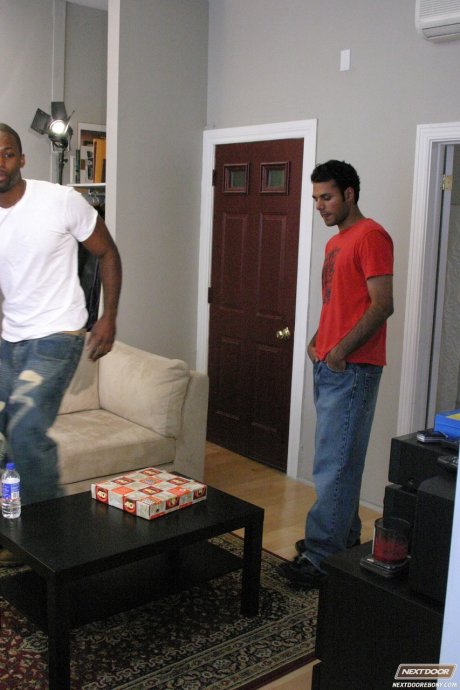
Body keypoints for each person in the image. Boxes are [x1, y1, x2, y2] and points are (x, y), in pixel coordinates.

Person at [0, 123, 122, 564]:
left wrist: (108, 316)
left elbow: (107, 251)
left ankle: (46, 536)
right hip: (11, 338)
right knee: (6, 427)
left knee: (26, 428)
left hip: (58, 336)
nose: (0, 163)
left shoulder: (59, 200)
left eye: (7, 153)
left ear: (22, 159)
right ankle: (13, 523)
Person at [279, 160, 394, 588]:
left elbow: (382, 305)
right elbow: (339, 303)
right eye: (315, 199)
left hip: (353, 368)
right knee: (338, 461)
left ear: (349, 194)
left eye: (326, 197)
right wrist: (318, 340)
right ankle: (341, 542)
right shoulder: (336, 242)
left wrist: (341, 351)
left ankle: (321, 557)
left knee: (334, 464)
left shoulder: (372, 236)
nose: (319, 206)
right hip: (331, 365)